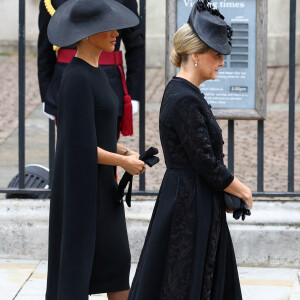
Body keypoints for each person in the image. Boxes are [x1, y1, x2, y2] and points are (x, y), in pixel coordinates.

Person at [128, 1, 253, 299]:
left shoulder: (184, 92)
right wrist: (242, 190)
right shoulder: (184, 98)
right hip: (190, 202)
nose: (222, 62)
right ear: (196, 56)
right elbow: (206, 162)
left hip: (190, 196)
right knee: (185, 280)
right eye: (217, 55)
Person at [45, 1, 146, 299]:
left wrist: (121, 149)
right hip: (82, 194)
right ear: (88, 34)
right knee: (81, 272)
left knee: (116, 265)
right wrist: (123, 163)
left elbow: (92, 133)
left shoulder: (95, 71)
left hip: (101, 188)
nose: (116, 33)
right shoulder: (75, 78)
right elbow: (79, 146)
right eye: (107, 27)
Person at [38, 0, 145, 136]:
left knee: (107, 143)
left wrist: (133, 94)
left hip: (109, 81)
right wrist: (46, 93)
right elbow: (45, 49)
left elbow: (135, 45)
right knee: (72, 145)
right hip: (66, 82)